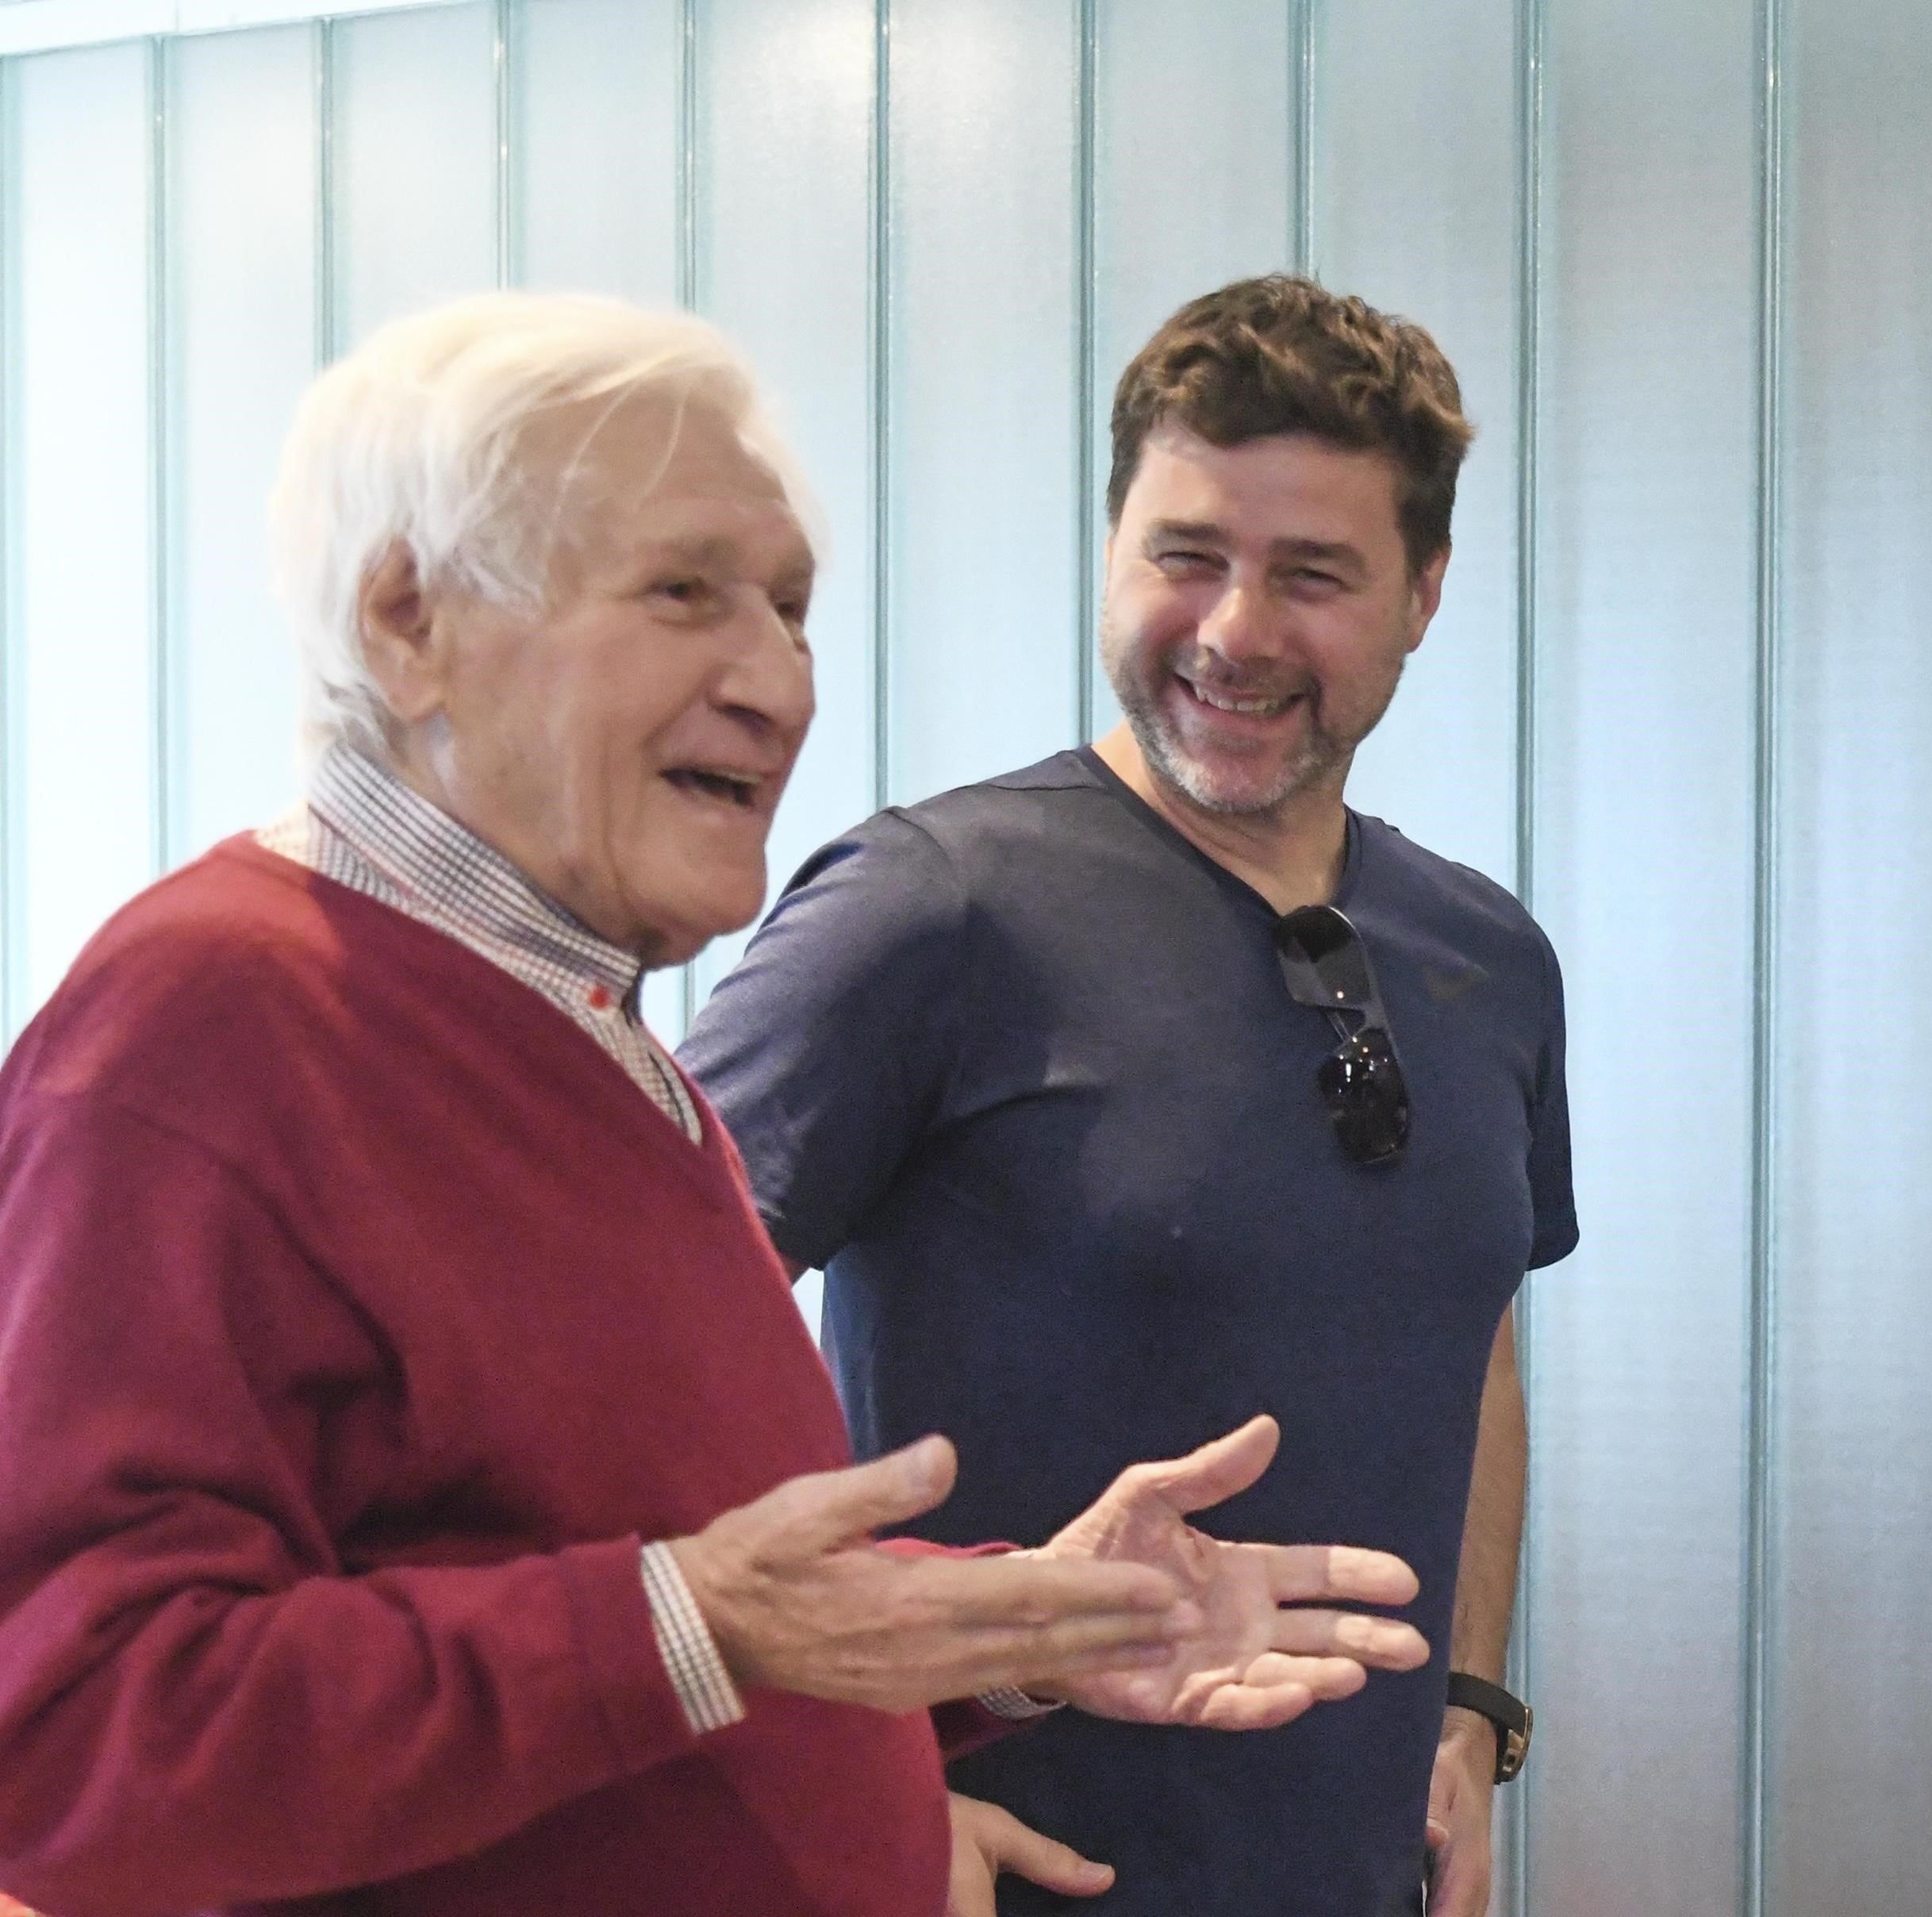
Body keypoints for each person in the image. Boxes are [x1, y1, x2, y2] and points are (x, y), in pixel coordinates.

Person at [0, 292, 1425, 1917]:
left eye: (793, 608)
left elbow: (652, 1576)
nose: (778, 681)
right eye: (686, 592)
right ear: (408, 620)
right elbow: (77, 1735)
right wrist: (693, 1623)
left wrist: (1029, 1613)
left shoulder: (576, 1021)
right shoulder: (214, 1022)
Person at [682, 273, 1574, 1917]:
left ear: (1425, 591)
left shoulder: (1486, 959)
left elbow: (1477, 1331)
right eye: (1187, 555)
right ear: (1111, 545)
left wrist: (1468, 1710)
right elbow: (628, 1354)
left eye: (1312, 574)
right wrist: (852, 1773)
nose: (1236, 630)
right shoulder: (929, 906)